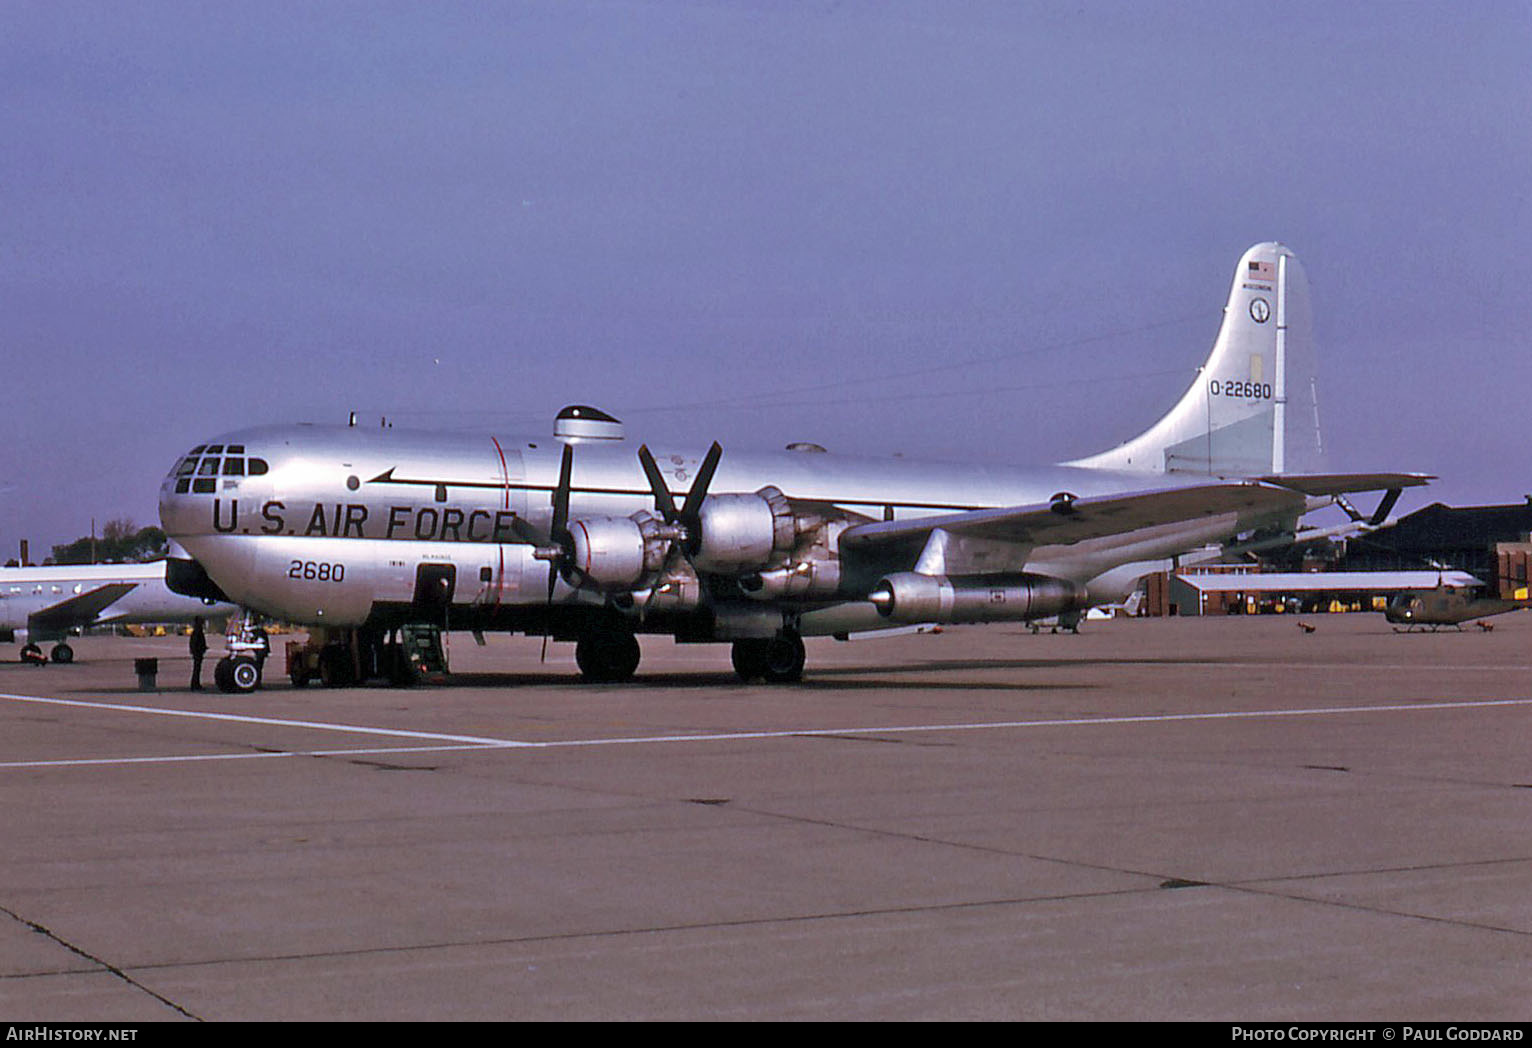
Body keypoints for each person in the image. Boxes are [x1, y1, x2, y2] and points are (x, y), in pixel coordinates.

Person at [189, 617, 207, 690]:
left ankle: (195, 684)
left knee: (196, 670)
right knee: (197, 670)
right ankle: (195, 684)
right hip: (198, 653)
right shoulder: (198, 631)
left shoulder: (196, 631)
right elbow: (197, 642)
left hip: (197, 652)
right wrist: (201, 648)